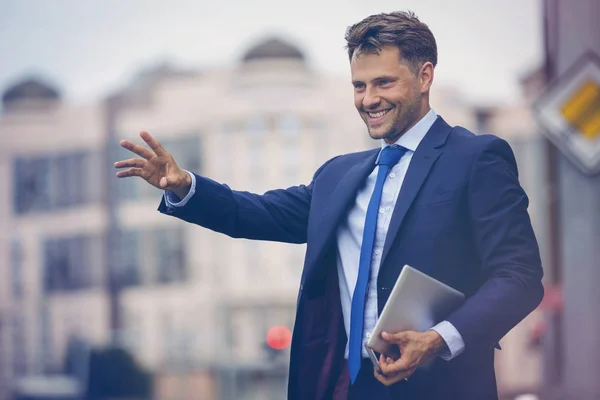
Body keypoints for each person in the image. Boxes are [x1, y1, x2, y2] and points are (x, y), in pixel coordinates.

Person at [114, 10, 544, 400]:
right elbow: (255, 212)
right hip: (349, 387)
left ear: (425, 76)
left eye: (383, 83)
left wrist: (437, 338)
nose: (368, 99)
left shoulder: (476, 158)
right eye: (359, 85)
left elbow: (520, 277)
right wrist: (184, 185)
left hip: (442, 387)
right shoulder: (339, 175)